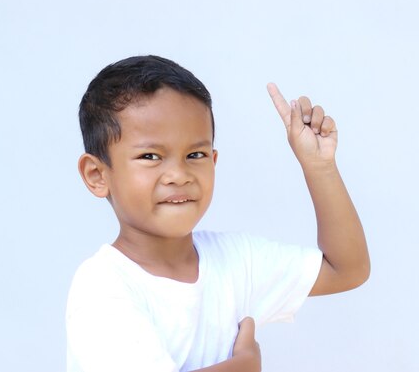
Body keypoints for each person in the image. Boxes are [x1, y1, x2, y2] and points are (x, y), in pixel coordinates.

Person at [66, 55, 370, 372]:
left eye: (194, 154)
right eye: (151, 156)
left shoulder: (235, 262)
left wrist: (319, 166)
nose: (178, 174)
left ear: (213, 160)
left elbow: (346, 268)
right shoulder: (103, 286)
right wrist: (245, 365)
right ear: (97, 175)